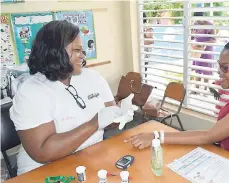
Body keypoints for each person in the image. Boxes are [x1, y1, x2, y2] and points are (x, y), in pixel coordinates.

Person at [9, 20, 136, 175]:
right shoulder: (31, 92)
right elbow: (42, 152)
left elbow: (108, 121)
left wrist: (120, 115)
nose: (83, 56)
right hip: (43, 169)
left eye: (82, 50)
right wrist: (93, 124)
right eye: (77, 50)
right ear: (54, 52)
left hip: (89, 157)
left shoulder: (93, 78)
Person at [125, 32, 229, 162]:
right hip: (225, 156)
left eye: (225, 67)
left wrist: (156, 136)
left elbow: (209, 136)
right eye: (219, 65)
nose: (219, 72)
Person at [191, 12, 216, 92]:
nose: (197, 22)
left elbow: (214, 40)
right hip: (198, 50)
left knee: (206, 71)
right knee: (197, 69)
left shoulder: (209, 25)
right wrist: (194, 43)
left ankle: (205, 89)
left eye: (199, 20)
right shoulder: (194, 24)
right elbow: (191, 37)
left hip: (207, 50)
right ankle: (196, 89)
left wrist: (203, 44)